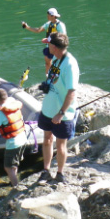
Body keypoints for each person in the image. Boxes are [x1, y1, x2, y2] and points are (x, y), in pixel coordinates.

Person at [37, 33, 78, 183]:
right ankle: (46, 170)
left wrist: (61, 113)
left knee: (61, 145)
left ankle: (60, 174)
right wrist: (46, 85)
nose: (47, 46)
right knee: (47, 139)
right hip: (48, 108)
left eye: (49, 44)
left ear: (54, 47)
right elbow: (53, 78)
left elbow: (72, 92)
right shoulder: (56, 58)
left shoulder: (70, 64)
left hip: (62, 114)